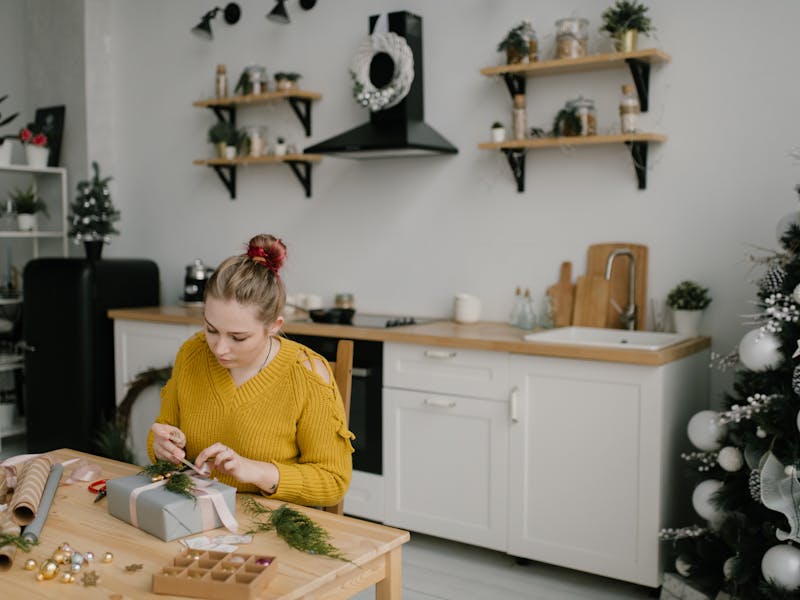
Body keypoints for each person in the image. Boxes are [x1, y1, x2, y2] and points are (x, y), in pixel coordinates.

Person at [148, 234, 354, 507]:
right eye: (211, 329)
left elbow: (333, 481)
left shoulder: (307, 374)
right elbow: (163, 430)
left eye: (238, 337)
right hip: (194, 513)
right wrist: (162, 447)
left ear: (274, 326)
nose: (219, 348)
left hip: (273, 526)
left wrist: (255, 471)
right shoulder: (192, 354)